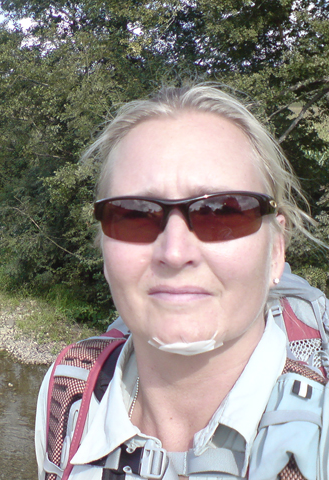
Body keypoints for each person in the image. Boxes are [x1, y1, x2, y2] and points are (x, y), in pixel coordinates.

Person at [34, 84, 328, 480]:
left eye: (222, 212)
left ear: (276, 250)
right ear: (104, 250)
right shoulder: (69, 391)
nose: (174, 253)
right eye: (135, 215)